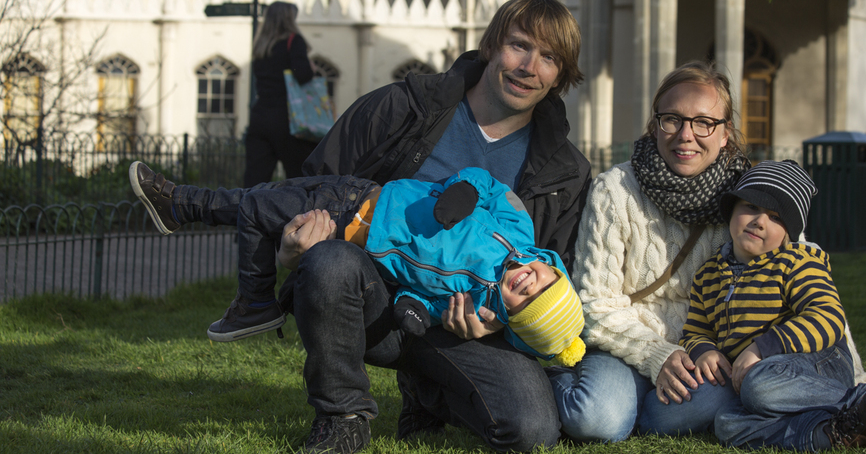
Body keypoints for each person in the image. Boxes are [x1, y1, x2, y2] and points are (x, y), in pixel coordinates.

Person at [274, 0, 590, 454]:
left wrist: (494, 327)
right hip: (372, 300)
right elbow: (313, 187)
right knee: (330, 262)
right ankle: (341, 417)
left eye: (549, 58)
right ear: (491, 45)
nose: (529, 67)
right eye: (519, 46)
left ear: (560, 76)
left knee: (531, 431)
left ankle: (428, 394)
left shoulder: (565, 171)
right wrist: (289, 251)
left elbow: (549, 280)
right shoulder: (403, 108)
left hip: (464, 322)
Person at [549, 61, 866, 443]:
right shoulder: (616, 191)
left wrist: (859, 380)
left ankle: (653, 411)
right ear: (655, 125)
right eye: (672, 120)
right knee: (597, 421)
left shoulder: (752, 196)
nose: (686, 135)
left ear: (725, 134)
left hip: (713, 358)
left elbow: (811, 282)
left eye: (704, 123)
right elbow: (594, 303)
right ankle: (561, 379)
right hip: (630, 342)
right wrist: (657, 355)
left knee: (687, 410)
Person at [128, 162, 586, 365]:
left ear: (512, 317)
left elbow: (421, 295)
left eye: (527, 301)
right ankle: (179, 206)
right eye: (546, 283)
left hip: (346, 224)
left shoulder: (470, 303)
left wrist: (412, 311)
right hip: (362, 191)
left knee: (254, 207)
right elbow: (489, 185)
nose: (530, 284)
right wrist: (462, 191)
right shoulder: (518, 232)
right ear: (554, 269)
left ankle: (253, 300)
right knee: (262, 197)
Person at [681, 160, 866, 451]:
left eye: (775, 217)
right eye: (751, 207)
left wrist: (760, 349)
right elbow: (696, 330)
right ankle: (833, 430)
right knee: (728, 422)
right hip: (767, 381)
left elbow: (828, 318)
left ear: (789, 233)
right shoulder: (708, 275)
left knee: (758, 386)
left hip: (817, 363)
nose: (760, 221)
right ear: (731, 209)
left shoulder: (796, 262)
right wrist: (704, 350)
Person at [244, 1, 322, 187]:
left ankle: (247, 206)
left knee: (255, 180)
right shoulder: (293, 41)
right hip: (288, 118)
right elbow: (302, 74)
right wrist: (312, 69)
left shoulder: (261, 46)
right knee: (298, 178)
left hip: (260, 116)